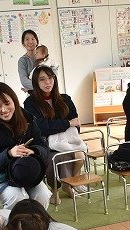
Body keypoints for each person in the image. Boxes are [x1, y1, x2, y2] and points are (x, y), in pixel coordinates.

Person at [0, 82, 51, 210]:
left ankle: (37, 222)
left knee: (42, 194)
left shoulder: (27, 119)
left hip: (24, 171)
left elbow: (44, 148)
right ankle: (16, 223)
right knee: (17, 197)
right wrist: (9, 154)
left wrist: (34, 150)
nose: (4, 110)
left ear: (14, 101)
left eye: (7, 103)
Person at [23, 65, 85, 202]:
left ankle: (67, 184)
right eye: (42, 79)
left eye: (50, 78)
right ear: (36, 82)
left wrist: (60, 126)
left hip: (67, 141)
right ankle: (54, 190)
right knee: (56, 159)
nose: (47, 82)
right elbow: (41, 127)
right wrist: (67, 124)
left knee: (80, 155)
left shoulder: (65, 99)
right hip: (44, 143)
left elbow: (76, 123)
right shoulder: (30, 103)